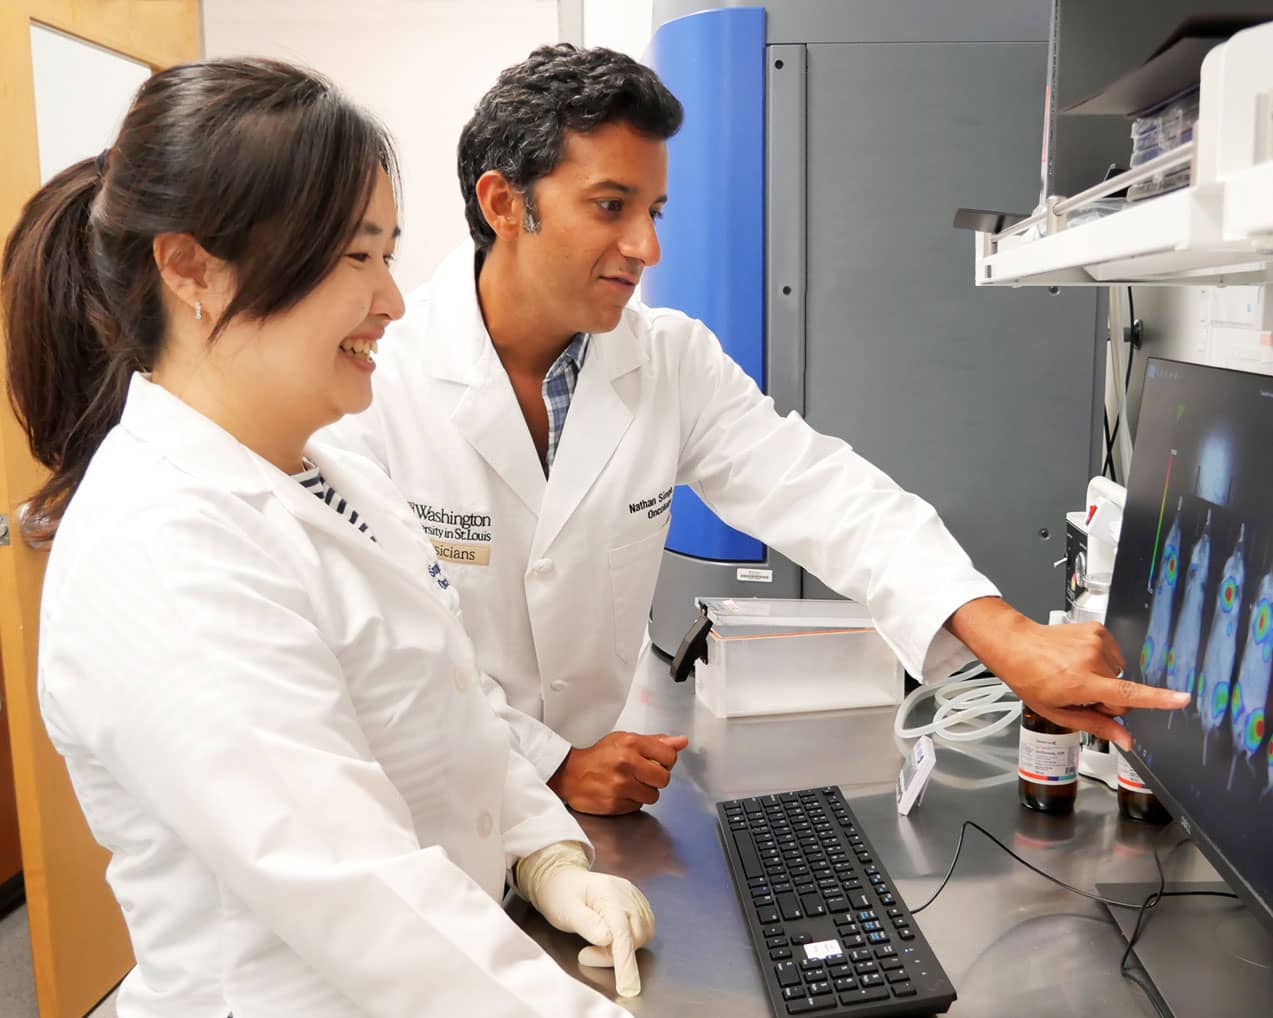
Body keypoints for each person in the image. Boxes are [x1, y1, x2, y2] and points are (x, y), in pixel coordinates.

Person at [324, 44, 1190, 816]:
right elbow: (386, 654)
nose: (645, 247)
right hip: (429, 814)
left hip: (589, 813)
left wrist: (1007, 635)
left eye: (654, 211)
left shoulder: (666, 362)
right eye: (610, 205)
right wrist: (547, 767)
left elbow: (821, 491)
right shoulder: (372, 377)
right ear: (504, 203)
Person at [2, 58, 655, 1016]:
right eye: (355, 256)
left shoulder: (331, 467)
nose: (391, 299)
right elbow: (356, 891)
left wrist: (546, 853)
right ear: (189, 267)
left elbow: (454, 705)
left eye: (388, 253)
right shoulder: (158, 545)